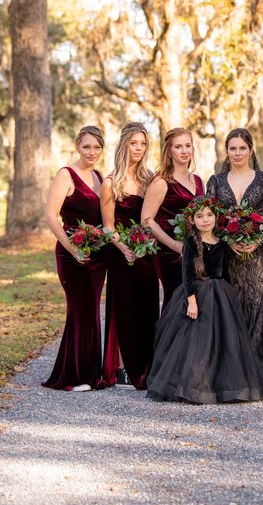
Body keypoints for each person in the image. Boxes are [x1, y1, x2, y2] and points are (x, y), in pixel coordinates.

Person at [146, 196, 263, 404]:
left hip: (220, 294)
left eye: (210, 215)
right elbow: (186, 275)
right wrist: (191, 301)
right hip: (196, 293)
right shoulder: (191, 242)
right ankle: (193, 384)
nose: (205, 220)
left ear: (216, 218)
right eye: (200, 216)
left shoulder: (222, 243)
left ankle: (216, 384)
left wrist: (229, 298)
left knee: (221, 340)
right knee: (196, 340)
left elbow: (225, 273)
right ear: (193, 220)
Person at [206, 128, 263, 388]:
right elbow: (209, 220)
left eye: (242, 148)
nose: (237, 153)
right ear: (226, 151)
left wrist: (257, 240)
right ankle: (233, 375)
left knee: (259, 306)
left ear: (250, 150)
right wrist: (228, 241)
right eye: (232, 148)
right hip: (227, 257)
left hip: (258, 257)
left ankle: (260, 374)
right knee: (232, 309)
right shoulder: (215, 181)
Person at [42, 125, 107, 391]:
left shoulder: (101, 177)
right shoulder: (65, 175)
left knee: (91, 310)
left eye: (96, 147)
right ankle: (76, 375)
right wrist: (72, 248)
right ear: (77, 146)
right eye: (86, 146)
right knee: (80, 310)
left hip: (98, 255)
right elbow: (50, 216)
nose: (91, 152)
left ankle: (89, 373)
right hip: (73, 254)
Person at [101, 122, 160, 389]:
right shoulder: (111, 182)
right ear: (124, 144)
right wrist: (124, 247)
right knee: (125, 309)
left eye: (143, 143)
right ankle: (124, 368)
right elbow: (108, 226)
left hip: (147, 254)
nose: (138, 148)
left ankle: (148, 364)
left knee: (148, 308)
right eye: (134, 143)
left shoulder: (151, 179)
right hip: (121, 255)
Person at [142, 128, 204, 309]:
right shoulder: (162, 181)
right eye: (178, 147)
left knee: (194, 302)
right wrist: (175, 245)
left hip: (195, 249)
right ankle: (167, 337)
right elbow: (146, 220)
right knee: (176, 300)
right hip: (170, 254)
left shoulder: (198, 180)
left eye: (188, 145)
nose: (184, 151)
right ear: (169, 151)